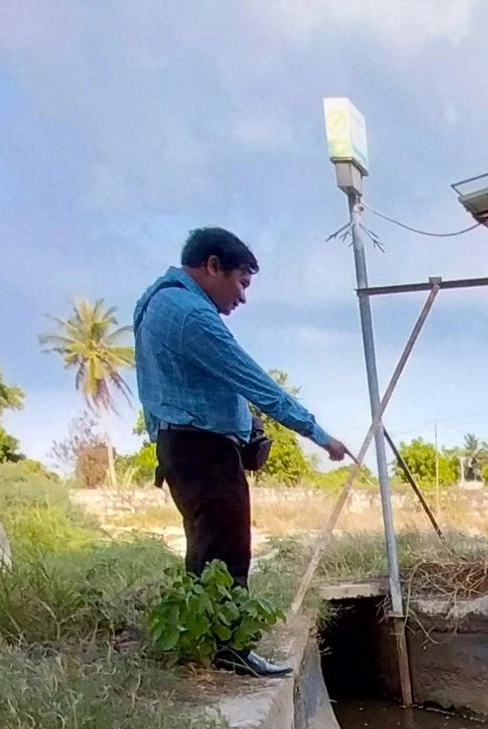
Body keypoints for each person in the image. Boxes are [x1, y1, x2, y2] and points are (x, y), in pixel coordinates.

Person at [133, 226, 349, 677]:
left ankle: (203, 642)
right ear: (213, 266)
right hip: (202, 447)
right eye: (242, 283)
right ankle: (231, 652)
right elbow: (253, 380)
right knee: (227, 553)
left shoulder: (157, 300)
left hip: (184, 443)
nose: (243, 298)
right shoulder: (192, 314)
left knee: (206, 550)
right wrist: (319, 435)